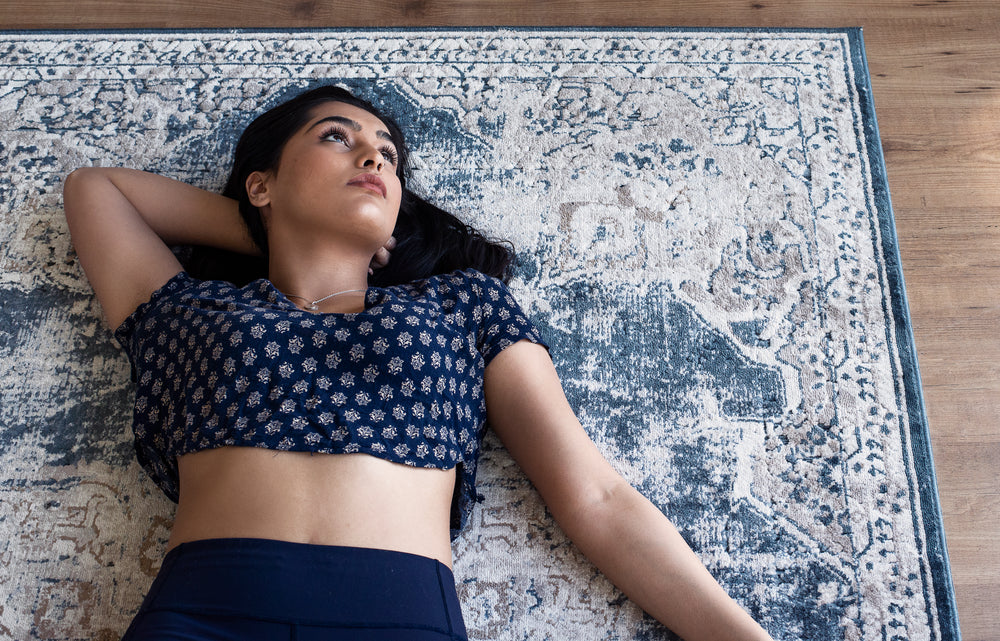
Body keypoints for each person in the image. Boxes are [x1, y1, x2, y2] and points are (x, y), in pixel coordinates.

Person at [63, 84, 775, 641]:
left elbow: (595, 496)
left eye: (387, 155)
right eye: (337, 139)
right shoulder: (193, 310)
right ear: (260, 183)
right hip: (202, 613)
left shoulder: (463, 303)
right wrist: (287, 227)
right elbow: (96, 191)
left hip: (399, 617)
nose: (372, 157)